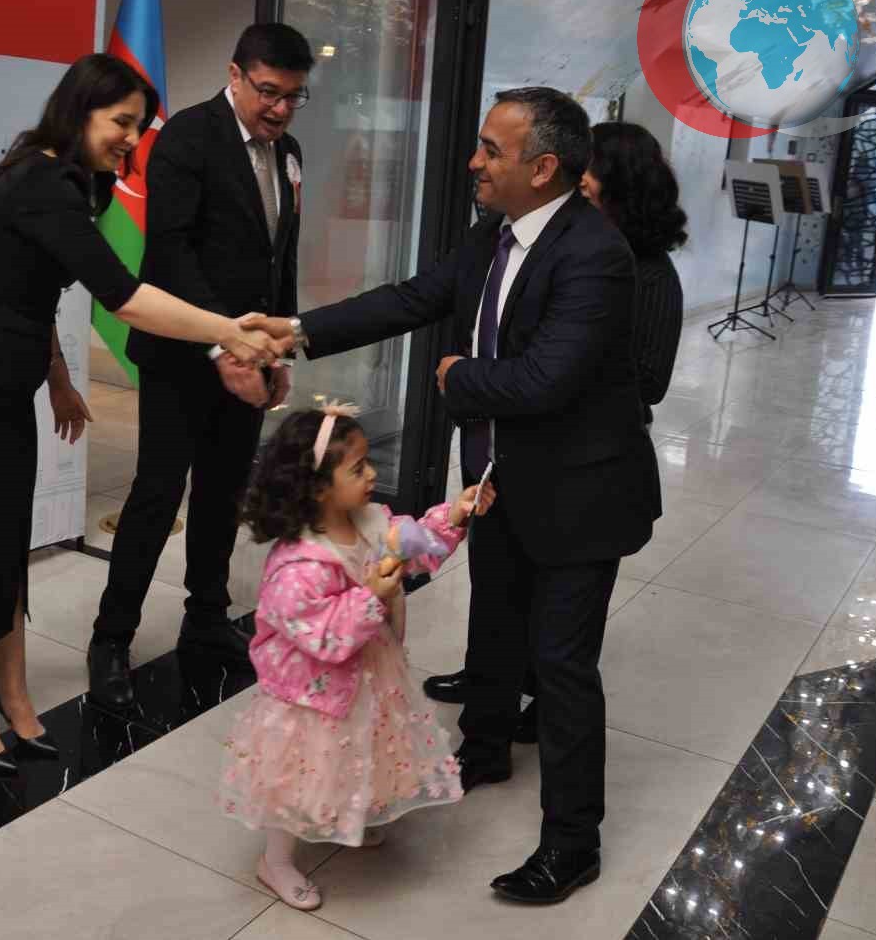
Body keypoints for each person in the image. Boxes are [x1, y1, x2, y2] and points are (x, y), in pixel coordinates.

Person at [247, 87, 661, 904]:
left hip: (582, 497)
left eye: (491, 150)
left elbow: (546, 379)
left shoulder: (595, 254)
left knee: (562, 665)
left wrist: (458, 376)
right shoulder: (495, 232)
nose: (474, 162)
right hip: (500, 479)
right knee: (496, 619)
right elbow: (414, 298)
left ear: (543, 168)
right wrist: (296, 332)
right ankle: (483, 748)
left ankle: (572, 842)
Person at [0, 54, 287, 775]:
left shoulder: (71, 183)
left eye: (138, 126)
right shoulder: (39, 182)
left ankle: (14, 694)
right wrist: (229, 331)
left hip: (4, 391)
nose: (131, 140)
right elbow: (125, 297)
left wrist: (57, 379)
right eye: (121, 122)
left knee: (5, 550)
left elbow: (34, 292)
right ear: (79, 111)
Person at [427, 120, 689, 742]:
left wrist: (564, 363)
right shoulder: (536, 243)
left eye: (590, 176)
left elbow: (646, 382)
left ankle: (541, 707)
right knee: (499, 597)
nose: (577, 185)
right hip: (513, 449)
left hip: (581, 466)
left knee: (563, 636)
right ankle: (489, 694)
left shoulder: (645, 274)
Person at [87, 24, 315, 708]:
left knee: (224, 491)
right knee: (158, 495)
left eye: (293, 96)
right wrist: (224, 345)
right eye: (268, 92)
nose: (280, 109)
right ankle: (111, 639)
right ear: (235, 75)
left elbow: (281, 258)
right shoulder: (189, 136)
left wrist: (278, 347)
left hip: (251, 356)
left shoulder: (289, 152)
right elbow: (171, 255)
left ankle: (207, 620)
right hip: (181, 357)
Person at [218, 406, 494, 911]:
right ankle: (276, 861)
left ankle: (348, 814)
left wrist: (454, 514)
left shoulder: (369, 522)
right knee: (302, 774)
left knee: (362, 750)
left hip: (367, 673)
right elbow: (325, 638)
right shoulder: (298, 566)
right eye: (358, 468)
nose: (372, 474)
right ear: (319, 487)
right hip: (312, 695)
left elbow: (416, 545)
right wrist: (371, 597)